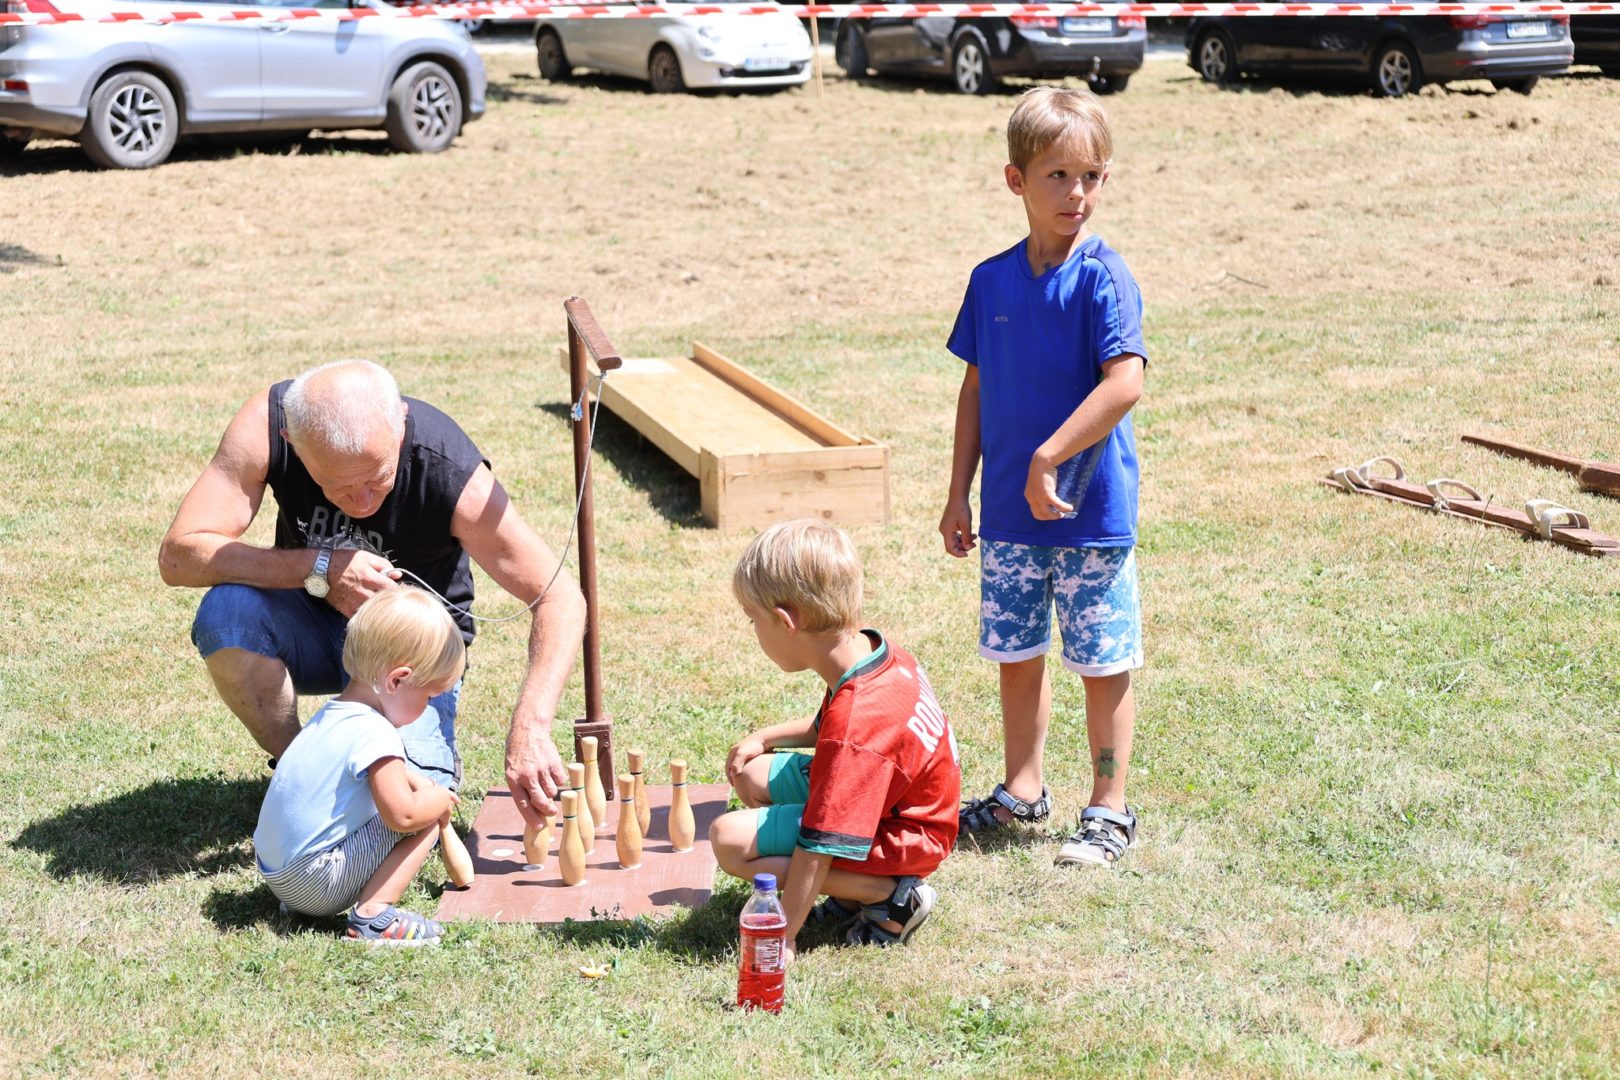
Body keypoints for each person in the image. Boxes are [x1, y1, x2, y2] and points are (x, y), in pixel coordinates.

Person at [158, 359, 585, 830]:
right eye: (338, 486)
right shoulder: (265, 426)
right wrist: (318, 568)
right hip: (312, 623)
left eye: (377, 478)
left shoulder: (449, 471)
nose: (361, 503)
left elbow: (560, 597)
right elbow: (179, 556)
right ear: (292, 443)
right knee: (227, 613)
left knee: (408, 814)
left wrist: (530, 727)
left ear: (400, 423)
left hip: (409, 657)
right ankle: (301, 769)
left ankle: (376, 768)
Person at [938, 86, 1148, 868]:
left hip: (1089, 515)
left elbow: (1125, 382)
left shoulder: (1104, 278)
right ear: (1015, 180)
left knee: (1101, 661)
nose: (1076, 193)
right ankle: (1021, 789)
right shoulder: (990, 281)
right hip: (1008, 517)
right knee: (1016, 654)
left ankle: (1109, 808)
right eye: (1057, 175)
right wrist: (958, 493)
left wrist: (1047, 456)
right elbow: (976, 388)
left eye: (1090, 176)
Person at [709, 520, 961, 958]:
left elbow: (818, 844)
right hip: (889, 803)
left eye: (753, 620)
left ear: (785, 621)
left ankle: (889, 896)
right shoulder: (871, 651)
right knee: (752, 775)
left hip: (905, 836)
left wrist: (784, 937)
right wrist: (763, 739)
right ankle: (851, 893)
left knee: (729, 840)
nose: (753, 631)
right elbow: (827, 729)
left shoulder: (856, 726)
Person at [254, 587, 464, 944]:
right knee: (424, 818)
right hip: (314, 883)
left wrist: (415, 781)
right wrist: (439, 799)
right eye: (429, 697)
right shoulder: (377, 732)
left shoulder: (333, 715)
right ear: (396, 680)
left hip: (276, 874)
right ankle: (372, 916)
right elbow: (403, 816)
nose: (428, 709)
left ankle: (305, 904)